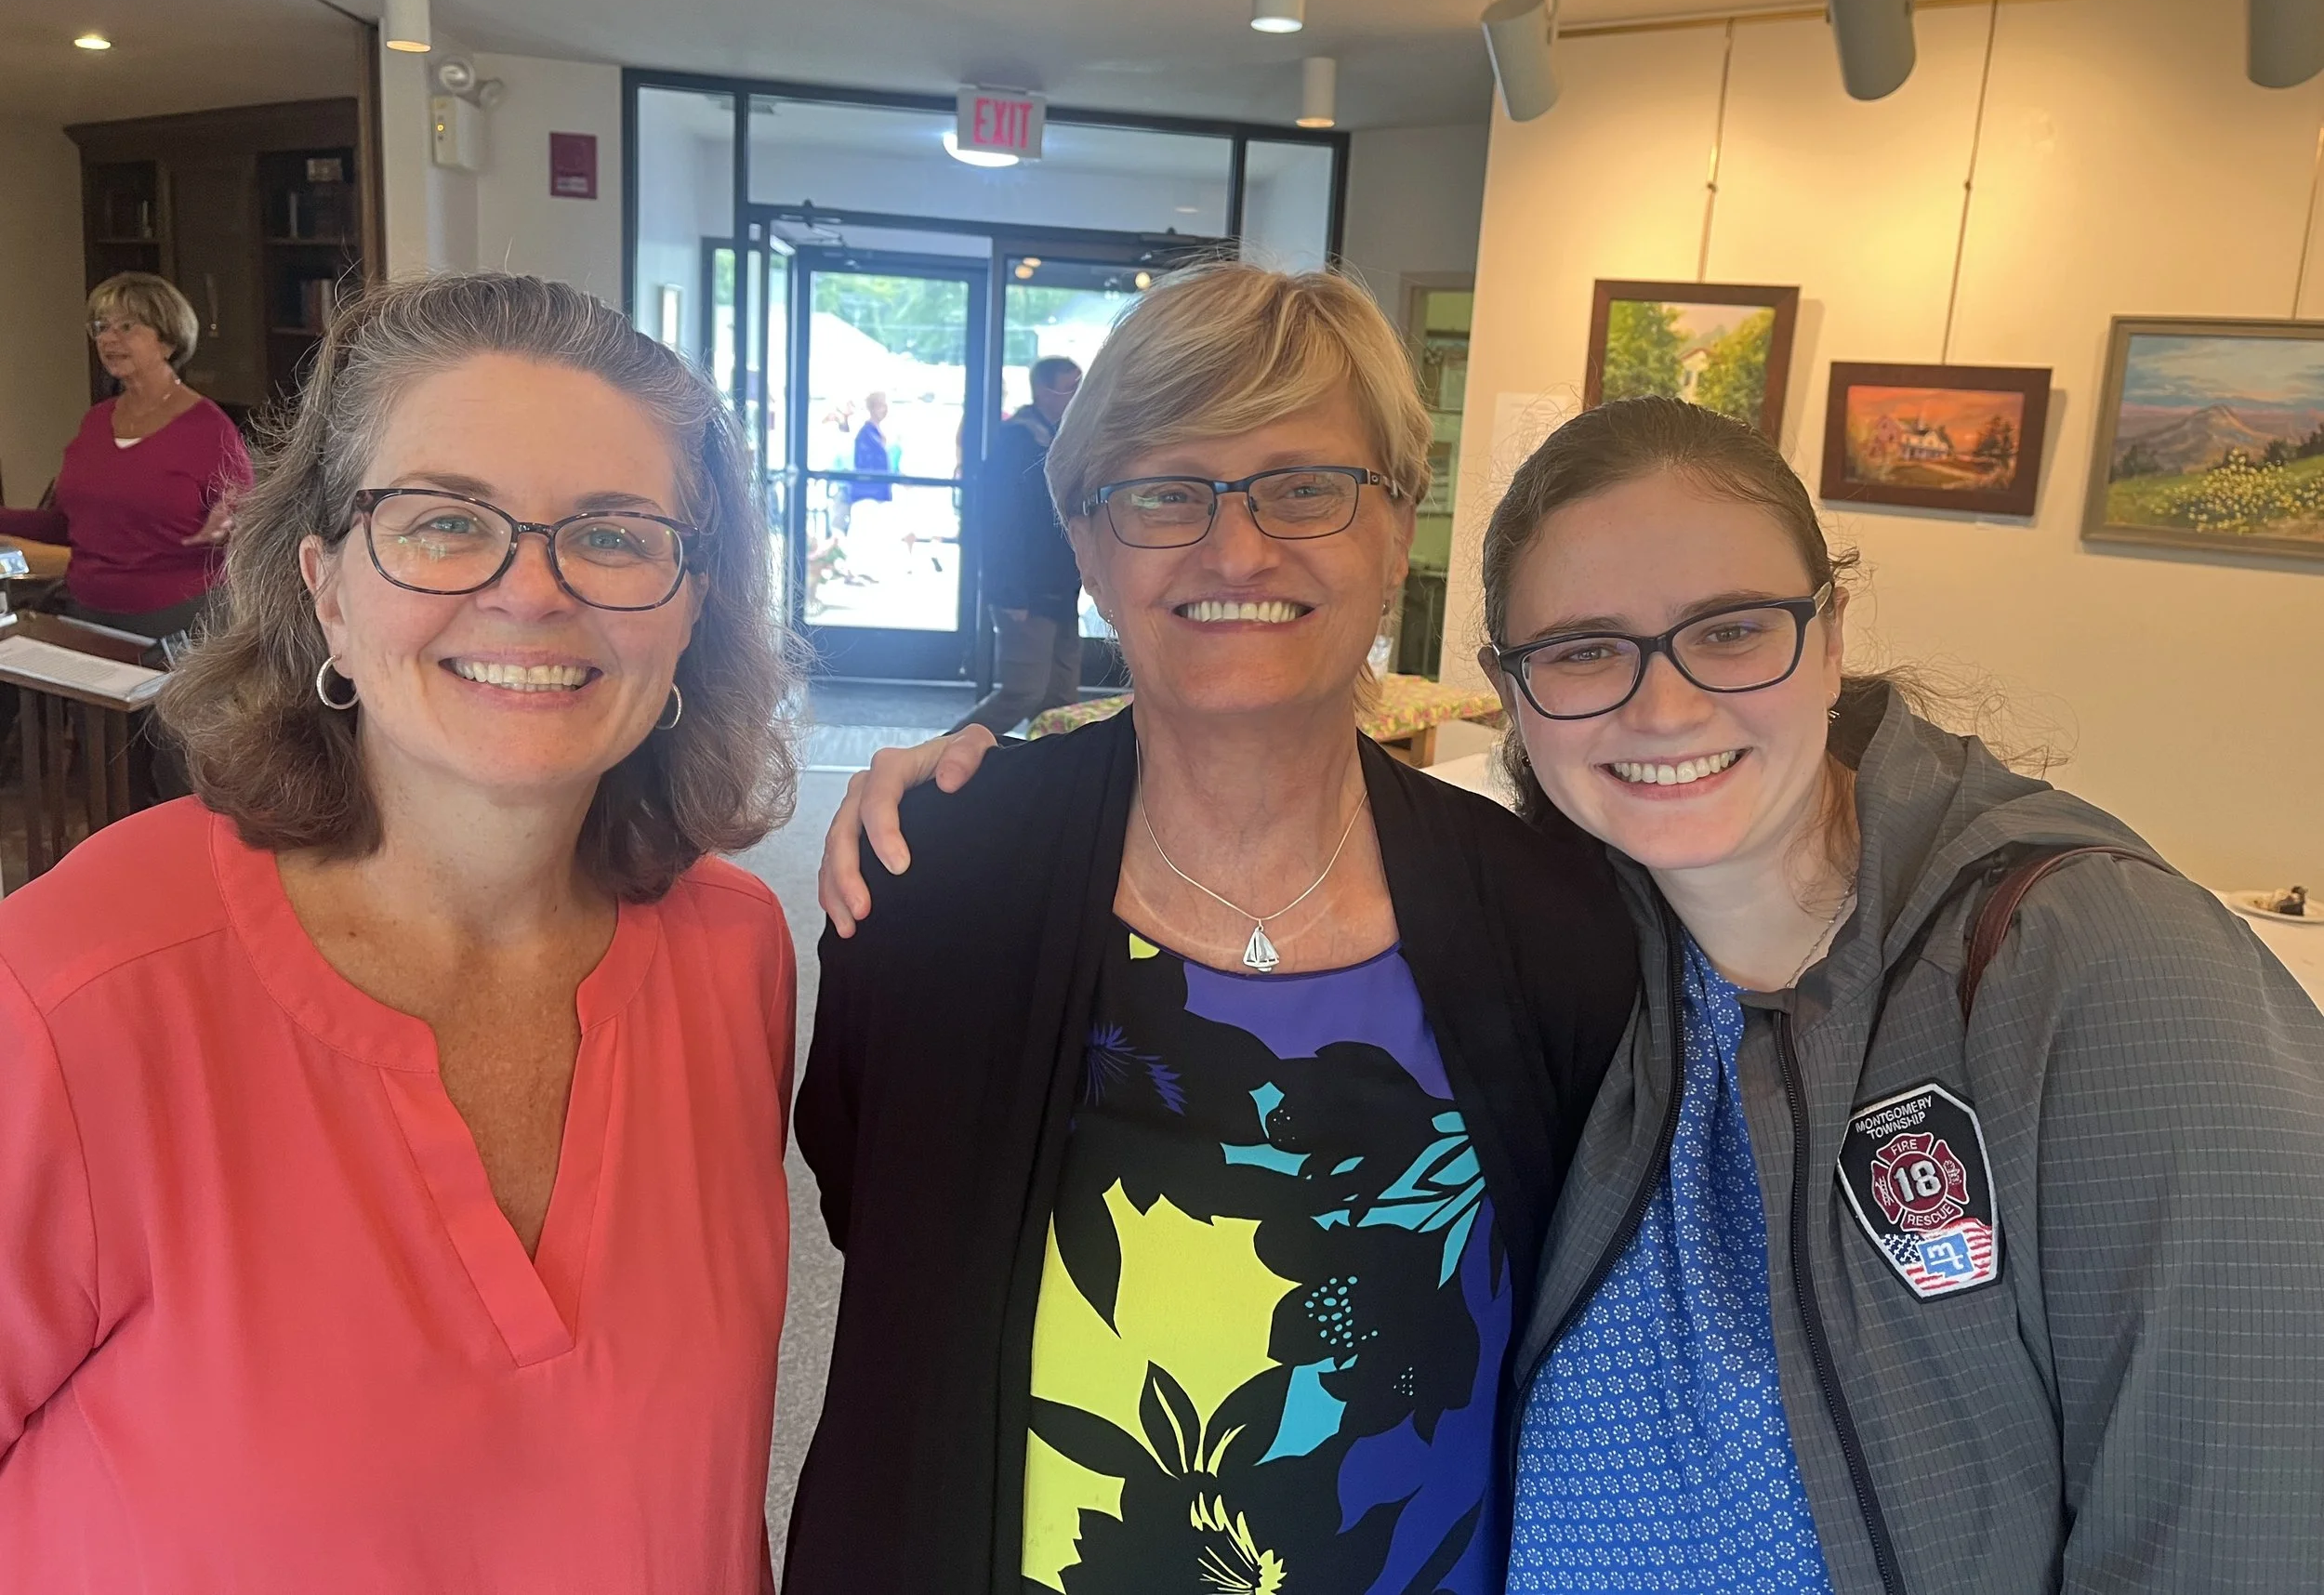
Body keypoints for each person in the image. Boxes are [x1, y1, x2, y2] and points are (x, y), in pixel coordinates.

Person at [834, 394, 2324, 1593]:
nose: (1662, 705)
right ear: (1512, 685)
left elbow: (2246, 1517)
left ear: (1833, 629)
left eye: (1732, 627)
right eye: (1585, 651)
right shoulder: (1583, 928)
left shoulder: (2102, 969)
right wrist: (978, 788)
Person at [784, 264, 1638, 1595]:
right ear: (1085, 540)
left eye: (1305, 486)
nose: (1236, 549)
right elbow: (873, 1202)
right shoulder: (931, 872)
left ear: (1397, 518)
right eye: (1164, 490)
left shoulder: (1547, 916)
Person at [0, 273, 804, 1592]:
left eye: (613, 532)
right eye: (443, 521)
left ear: (693, 600)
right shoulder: (74, 989)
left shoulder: (736, 953)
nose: (532, 590)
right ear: (323, 586)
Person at [0, 271, 248, 639]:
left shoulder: (209, 429)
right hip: (87, 614)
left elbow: (253, 525)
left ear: (167, 340)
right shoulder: (96, 422)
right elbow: (74, 525)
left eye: (126, 327)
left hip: (179, 624)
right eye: (101, 327)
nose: (108, 339)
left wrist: (232, 528)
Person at [959, 355, 1084, 734]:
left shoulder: (1064, 438)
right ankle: (937, 760)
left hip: (1061, 588)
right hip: (1026, 591)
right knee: (1024, 692)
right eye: (1071, 386)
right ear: (1045, 391)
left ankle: (1050, 780)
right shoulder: (1017, 441)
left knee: (1060, 697)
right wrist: (1010, 593)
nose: (1080, 393)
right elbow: (1001, 524)